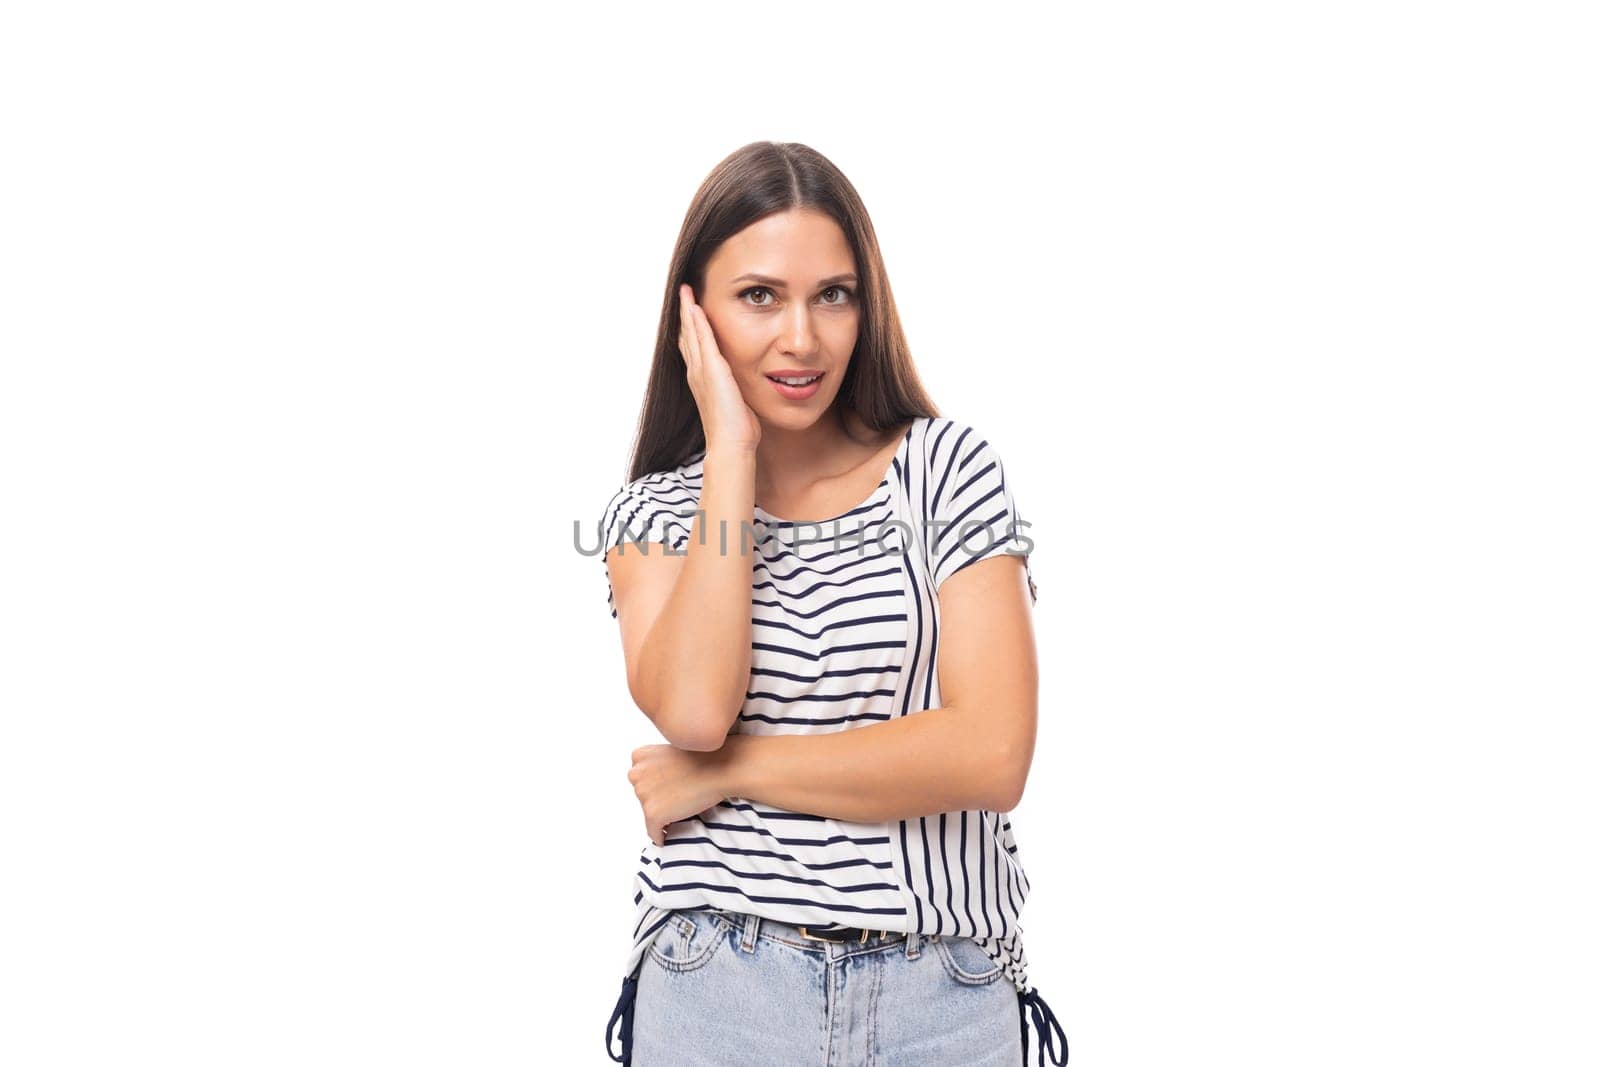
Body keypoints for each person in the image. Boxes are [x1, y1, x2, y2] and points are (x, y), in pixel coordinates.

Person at [597, 141, 1067, 1066]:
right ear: (693, 313)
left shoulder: (945, 472)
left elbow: (993, 751)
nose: (802, 338)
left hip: (946, 994)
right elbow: (694, 709)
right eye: (759, 296)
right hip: (717, 988)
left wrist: (728, 775)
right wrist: (729, 451)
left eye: (833, 295)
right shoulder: (653, 515)